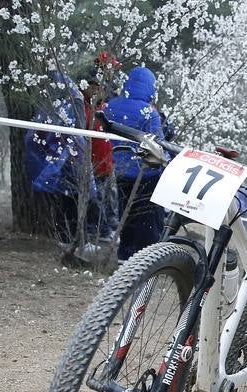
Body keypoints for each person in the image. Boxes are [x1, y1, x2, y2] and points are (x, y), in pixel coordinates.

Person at [24, 69, 95, 253]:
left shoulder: (51, 103)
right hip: (72, 158)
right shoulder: (74, 100)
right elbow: (79, 131)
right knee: (76, 200)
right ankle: (79, 241)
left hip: (59, 158)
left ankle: (66, 238)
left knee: (66, 201)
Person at [103, 65, 165, 261]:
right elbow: (158, 143)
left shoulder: (111, 105)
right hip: (147, 172)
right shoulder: (149, 112)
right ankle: (146, 260)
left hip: (120, 169)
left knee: (126, 215)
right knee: (148, 220)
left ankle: (124, 256)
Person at [80, 69, 119, 243]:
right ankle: (99, 231)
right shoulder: (83, 108)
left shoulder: (103, 108)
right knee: (97, 199)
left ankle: (110, 227)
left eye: (100, 87)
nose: (98, 90)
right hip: (93, 162)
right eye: (95, 86)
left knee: (109, 199)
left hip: (106, 162)